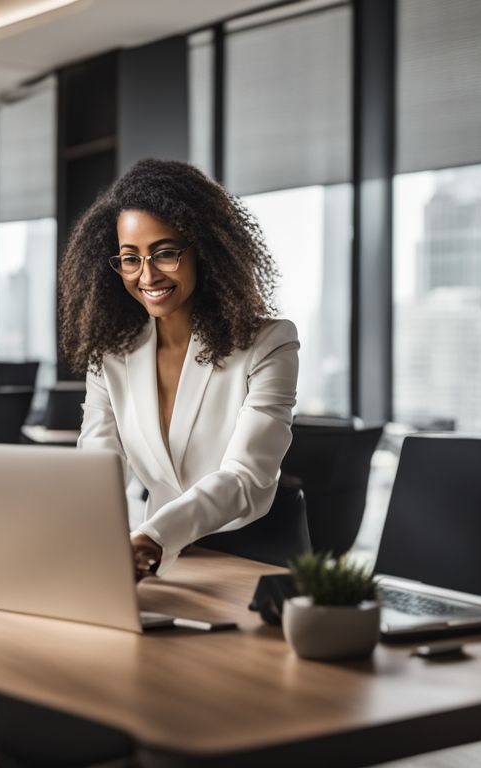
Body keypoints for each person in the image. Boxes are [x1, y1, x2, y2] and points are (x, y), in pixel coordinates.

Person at [60, 159, 299, 578]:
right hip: (154, 560)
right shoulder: (111, 354)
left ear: (203, 248)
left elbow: (245, 478)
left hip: (252, 560)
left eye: (165, 253)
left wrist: (154, 536)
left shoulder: (269, 343)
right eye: (130, 259)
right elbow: (100, 467)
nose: (147, 274)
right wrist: (85, 534)